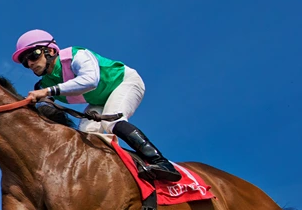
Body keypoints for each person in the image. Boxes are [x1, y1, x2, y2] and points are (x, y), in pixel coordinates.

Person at [12, 29, 180, 181]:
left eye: (33, 55)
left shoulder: (76, 55)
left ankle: (161, 162)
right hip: (98, 101)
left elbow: (91, 81)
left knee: (111, 122)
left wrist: (48, 92)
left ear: (50, 50)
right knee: (85, 138)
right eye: (25, 62)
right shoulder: (43, 84)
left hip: (124, 82)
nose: (30, 63)